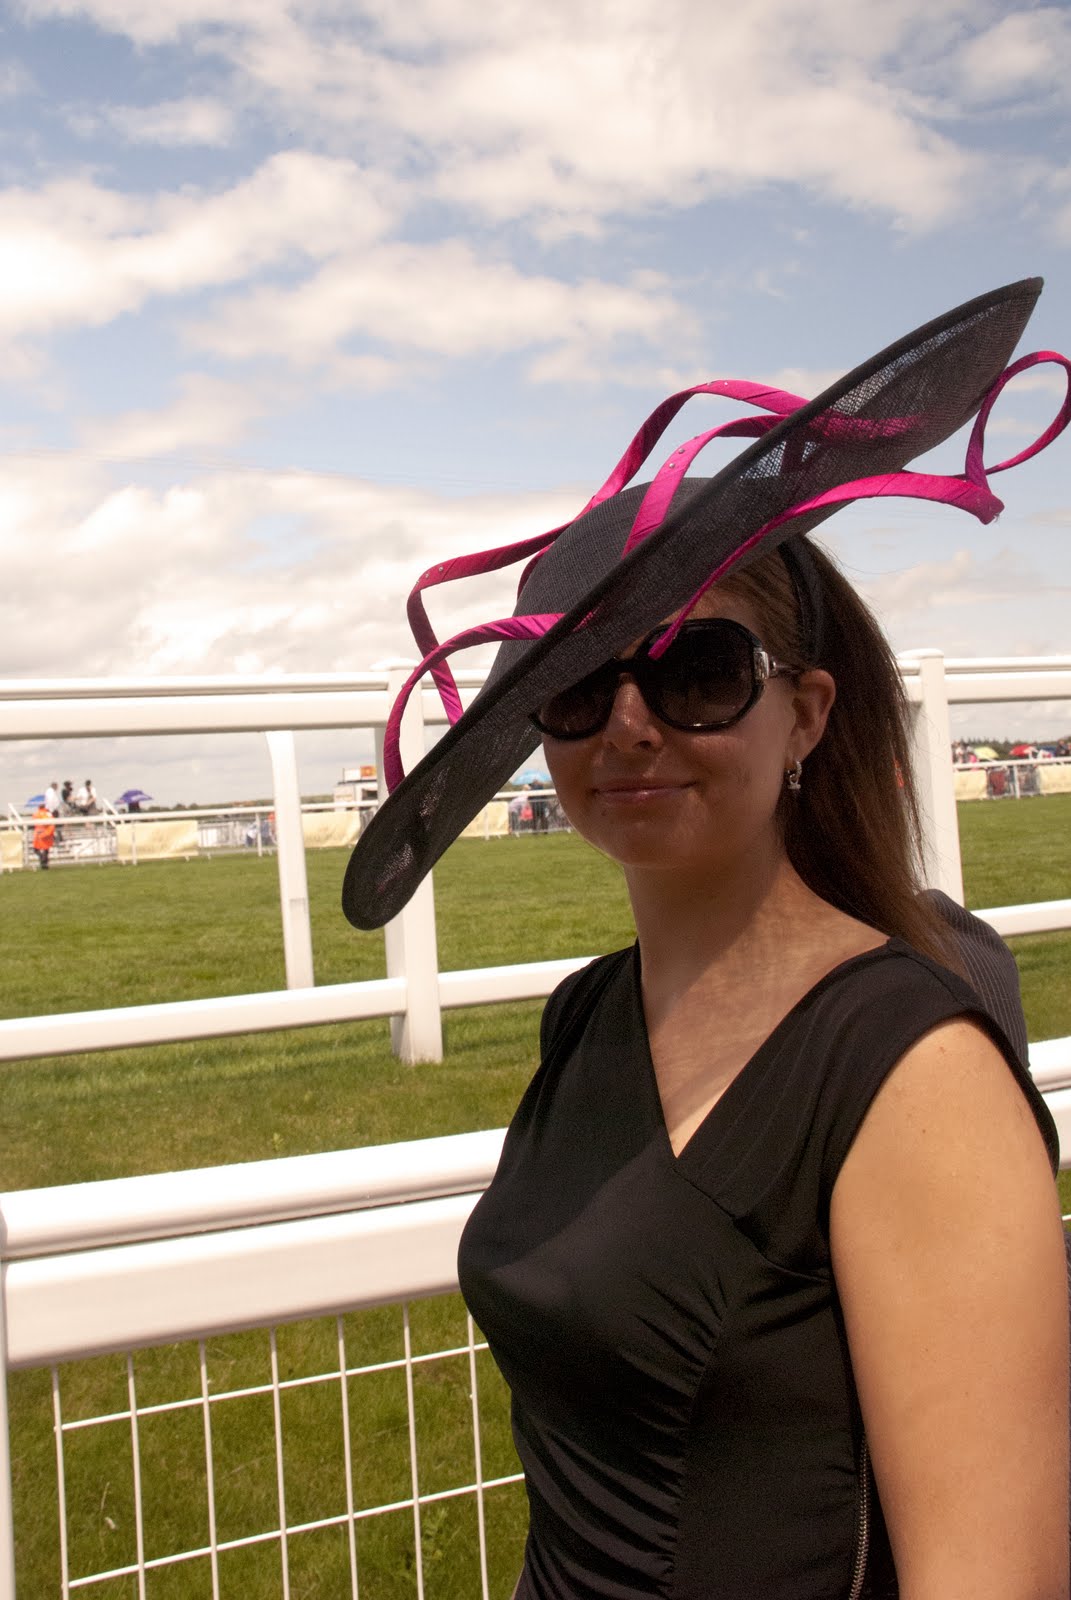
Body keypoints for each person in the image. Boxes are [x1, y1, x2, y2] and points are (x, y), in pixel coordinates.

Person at [342, 280, 1071, 1598]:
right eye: (577, 682)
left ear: (802, 715)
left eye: (693, 672)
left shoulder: (909, 1074)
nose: (628, 725)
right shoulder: (586, 1015)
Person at [32, 803, 55, 869]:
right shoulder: (48, 813)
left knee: (36, 849)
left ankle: (43, 861)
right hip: (47, 833)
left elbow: (33, 823)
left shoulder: (36, 814)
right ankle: (44, 863)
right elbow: (52, 824)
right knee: (46, 850)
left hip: (38, 834)